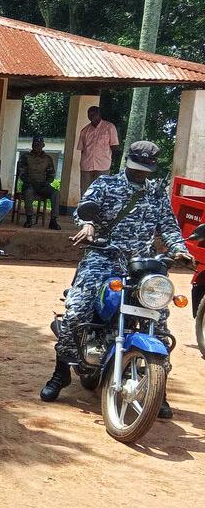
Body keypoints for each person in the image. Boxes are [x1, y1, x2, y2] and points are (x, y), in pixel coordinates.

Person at [40, 141, 192, 418]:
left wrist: (179, 248)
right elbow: (84, 211)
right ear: (127, 162)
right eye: (135, 168)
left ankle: (159, 387)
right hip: (103, 256)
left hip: (142, 264)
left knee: (159, 322)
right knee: (76, 312)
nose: (139, 174)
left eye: (144, 170)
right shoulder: (106, 184)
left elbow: (169, 227)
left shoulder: (156, 193)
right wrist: (87, 226)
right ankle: (61, 371)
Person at [17, 136, 61, 230]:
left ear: (43, 145)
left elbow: (51, 174)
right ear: (32, 145)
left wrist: (46, 182)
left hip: (43, 185)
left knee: (56, 193)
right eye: (35, 144)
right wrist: (31, 182)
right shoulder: (25, 157)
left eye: (39, 144)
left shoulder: (48, 159)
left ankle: (53, 220)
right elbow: (22, 174)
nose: (37, 146)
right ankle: (29, 219)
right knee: (28, 193)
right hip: (29, 185)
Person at [76, 106, 119, 196]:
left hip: (103, 166)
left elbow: (114, 147)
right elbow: (82, 150)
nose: (91, 117)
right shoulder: (85, 130)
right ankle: (84, 209)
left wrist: (112, 163)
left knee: (101, 191)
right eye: (89, 115)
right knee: (85, 192)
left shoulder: (109, 127)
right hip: (87, 166)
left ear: (99, 114)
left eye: (93, 114)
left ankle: (99, 210)